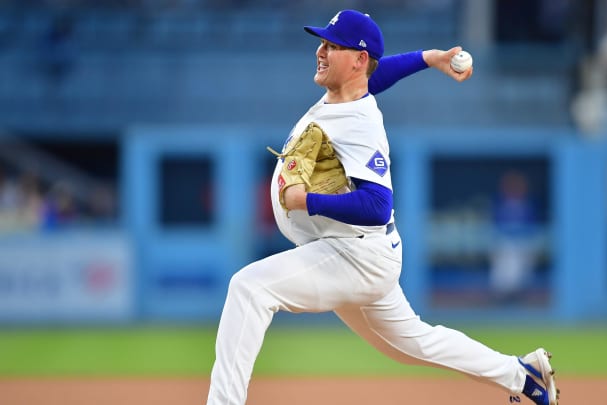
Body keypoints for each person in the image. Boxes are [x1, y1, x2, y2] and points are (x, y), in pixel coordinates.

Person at [206, 10, 558, 405]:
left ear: (357, 60)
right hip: (363, 251)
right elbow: (379, 72)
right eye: (322, 43)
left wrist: (306, 200)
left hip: (356, 253)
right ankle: (523, 375)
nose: (320, 51)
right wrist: (429, 57)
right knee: (412, 343)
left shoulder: (360, 123)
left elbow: (377, 205)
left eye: (332, 46)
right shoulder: (352, 90)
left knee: (249, 288)